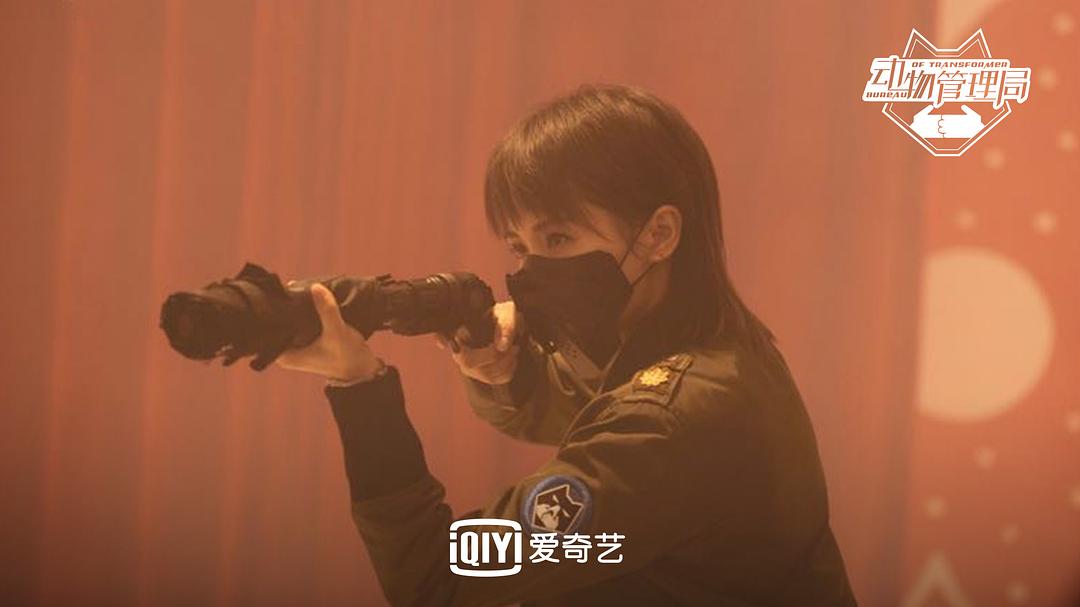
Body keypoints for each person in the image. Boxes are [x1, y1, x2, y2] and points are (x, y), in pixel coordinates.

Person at [276, 83, 857, 606]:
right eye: (519, 247)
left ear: (658, 234)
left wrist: (360, 387)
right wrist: (506, 372)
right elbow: (576, 403)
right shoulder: (716, 353)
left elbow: (438, 580)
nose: (532, 271)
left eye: (557, 238)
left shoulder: (673, 418)